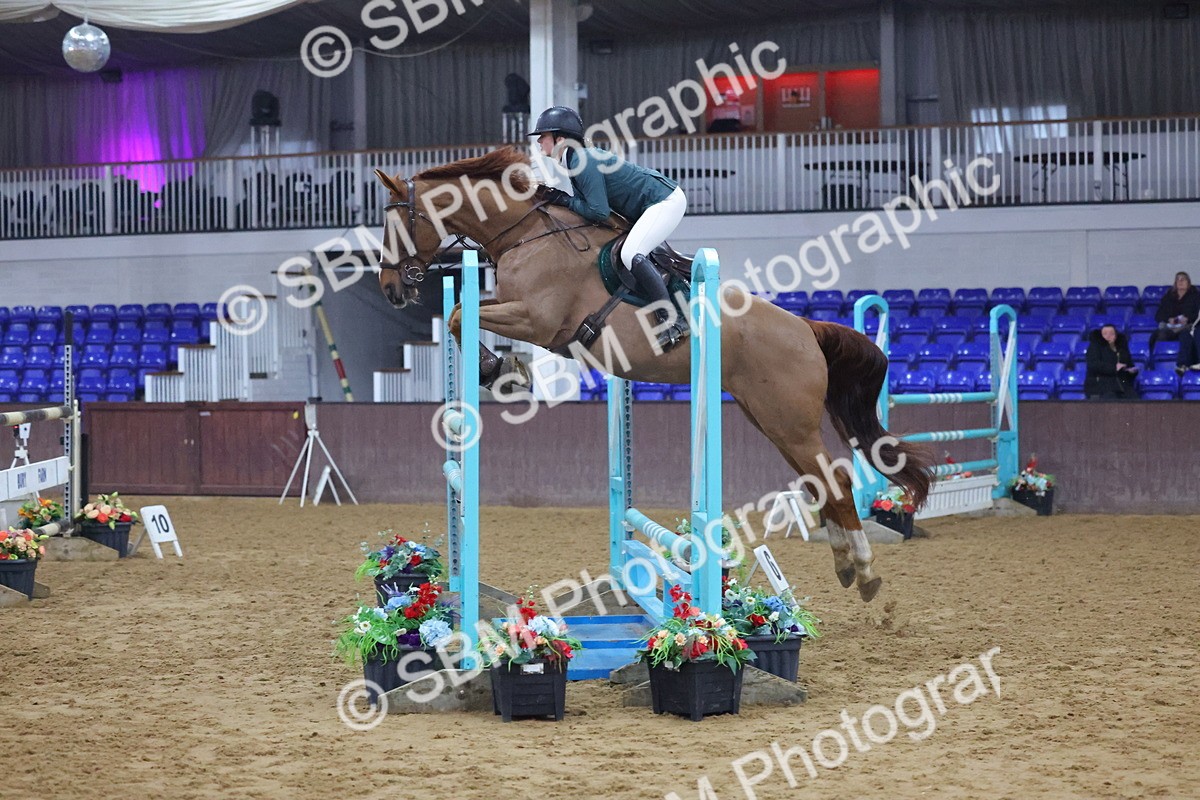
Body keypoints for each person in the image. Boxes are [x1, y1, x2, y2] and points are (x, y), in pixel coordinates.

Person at [529, 106, 690, 351]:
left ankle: (672, 319)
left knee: (630, 254)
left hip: (664, 200)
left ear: (560, 139)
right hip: (649, 205)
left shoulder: (582, 160)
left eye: (543, 136)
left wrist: (563, 200)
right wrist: (561, 199)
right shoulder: (575, 160)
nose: (540, 141)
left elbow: (598, 211)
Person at [1150, 271, 1200, 374]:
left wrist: (1187, 319)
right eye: (1178, 279)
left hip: (1187, 326)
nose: (1180, 282)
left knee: (1186, 335)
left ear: (1188, 282)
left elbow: (1197, 314)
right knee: (1158, 335)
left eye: (1183, 279)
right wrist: (1169, 319)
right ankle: (1156, 367)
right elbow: (1159, 315)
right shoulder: (1168, 297)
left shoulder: (1196, 296)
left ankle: (1183, 365)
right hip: (1171, 327)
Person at [1085, 324, 1138, 399]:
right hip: (1101, 385)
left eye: (1111, 333)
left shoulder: (1122, 349)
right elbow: (1093, 365)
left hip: (1122, 384)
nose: (1108, 336)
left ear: (1116, 336)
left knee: (1135, 400)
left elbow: (1129, 364)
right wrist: (1114, 368)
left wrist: (1131, 371)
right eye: (1105, 334)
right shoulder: (1094, 347)